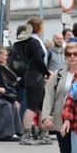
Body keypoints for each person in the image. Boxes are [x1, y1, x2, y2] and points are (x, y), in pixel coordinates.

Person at [20, 16, 51, 146]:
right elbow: (39, 61)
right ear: (38, 27)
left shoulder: (30, 41)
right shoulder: (33, 42)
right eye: (42, 26)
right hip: (35, 76)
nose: (43, 28)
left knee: (41, 105)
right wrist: (48, 72)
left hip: (34, 76)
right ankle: (26, 134)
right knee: (32, 105)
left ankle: (42, 133)